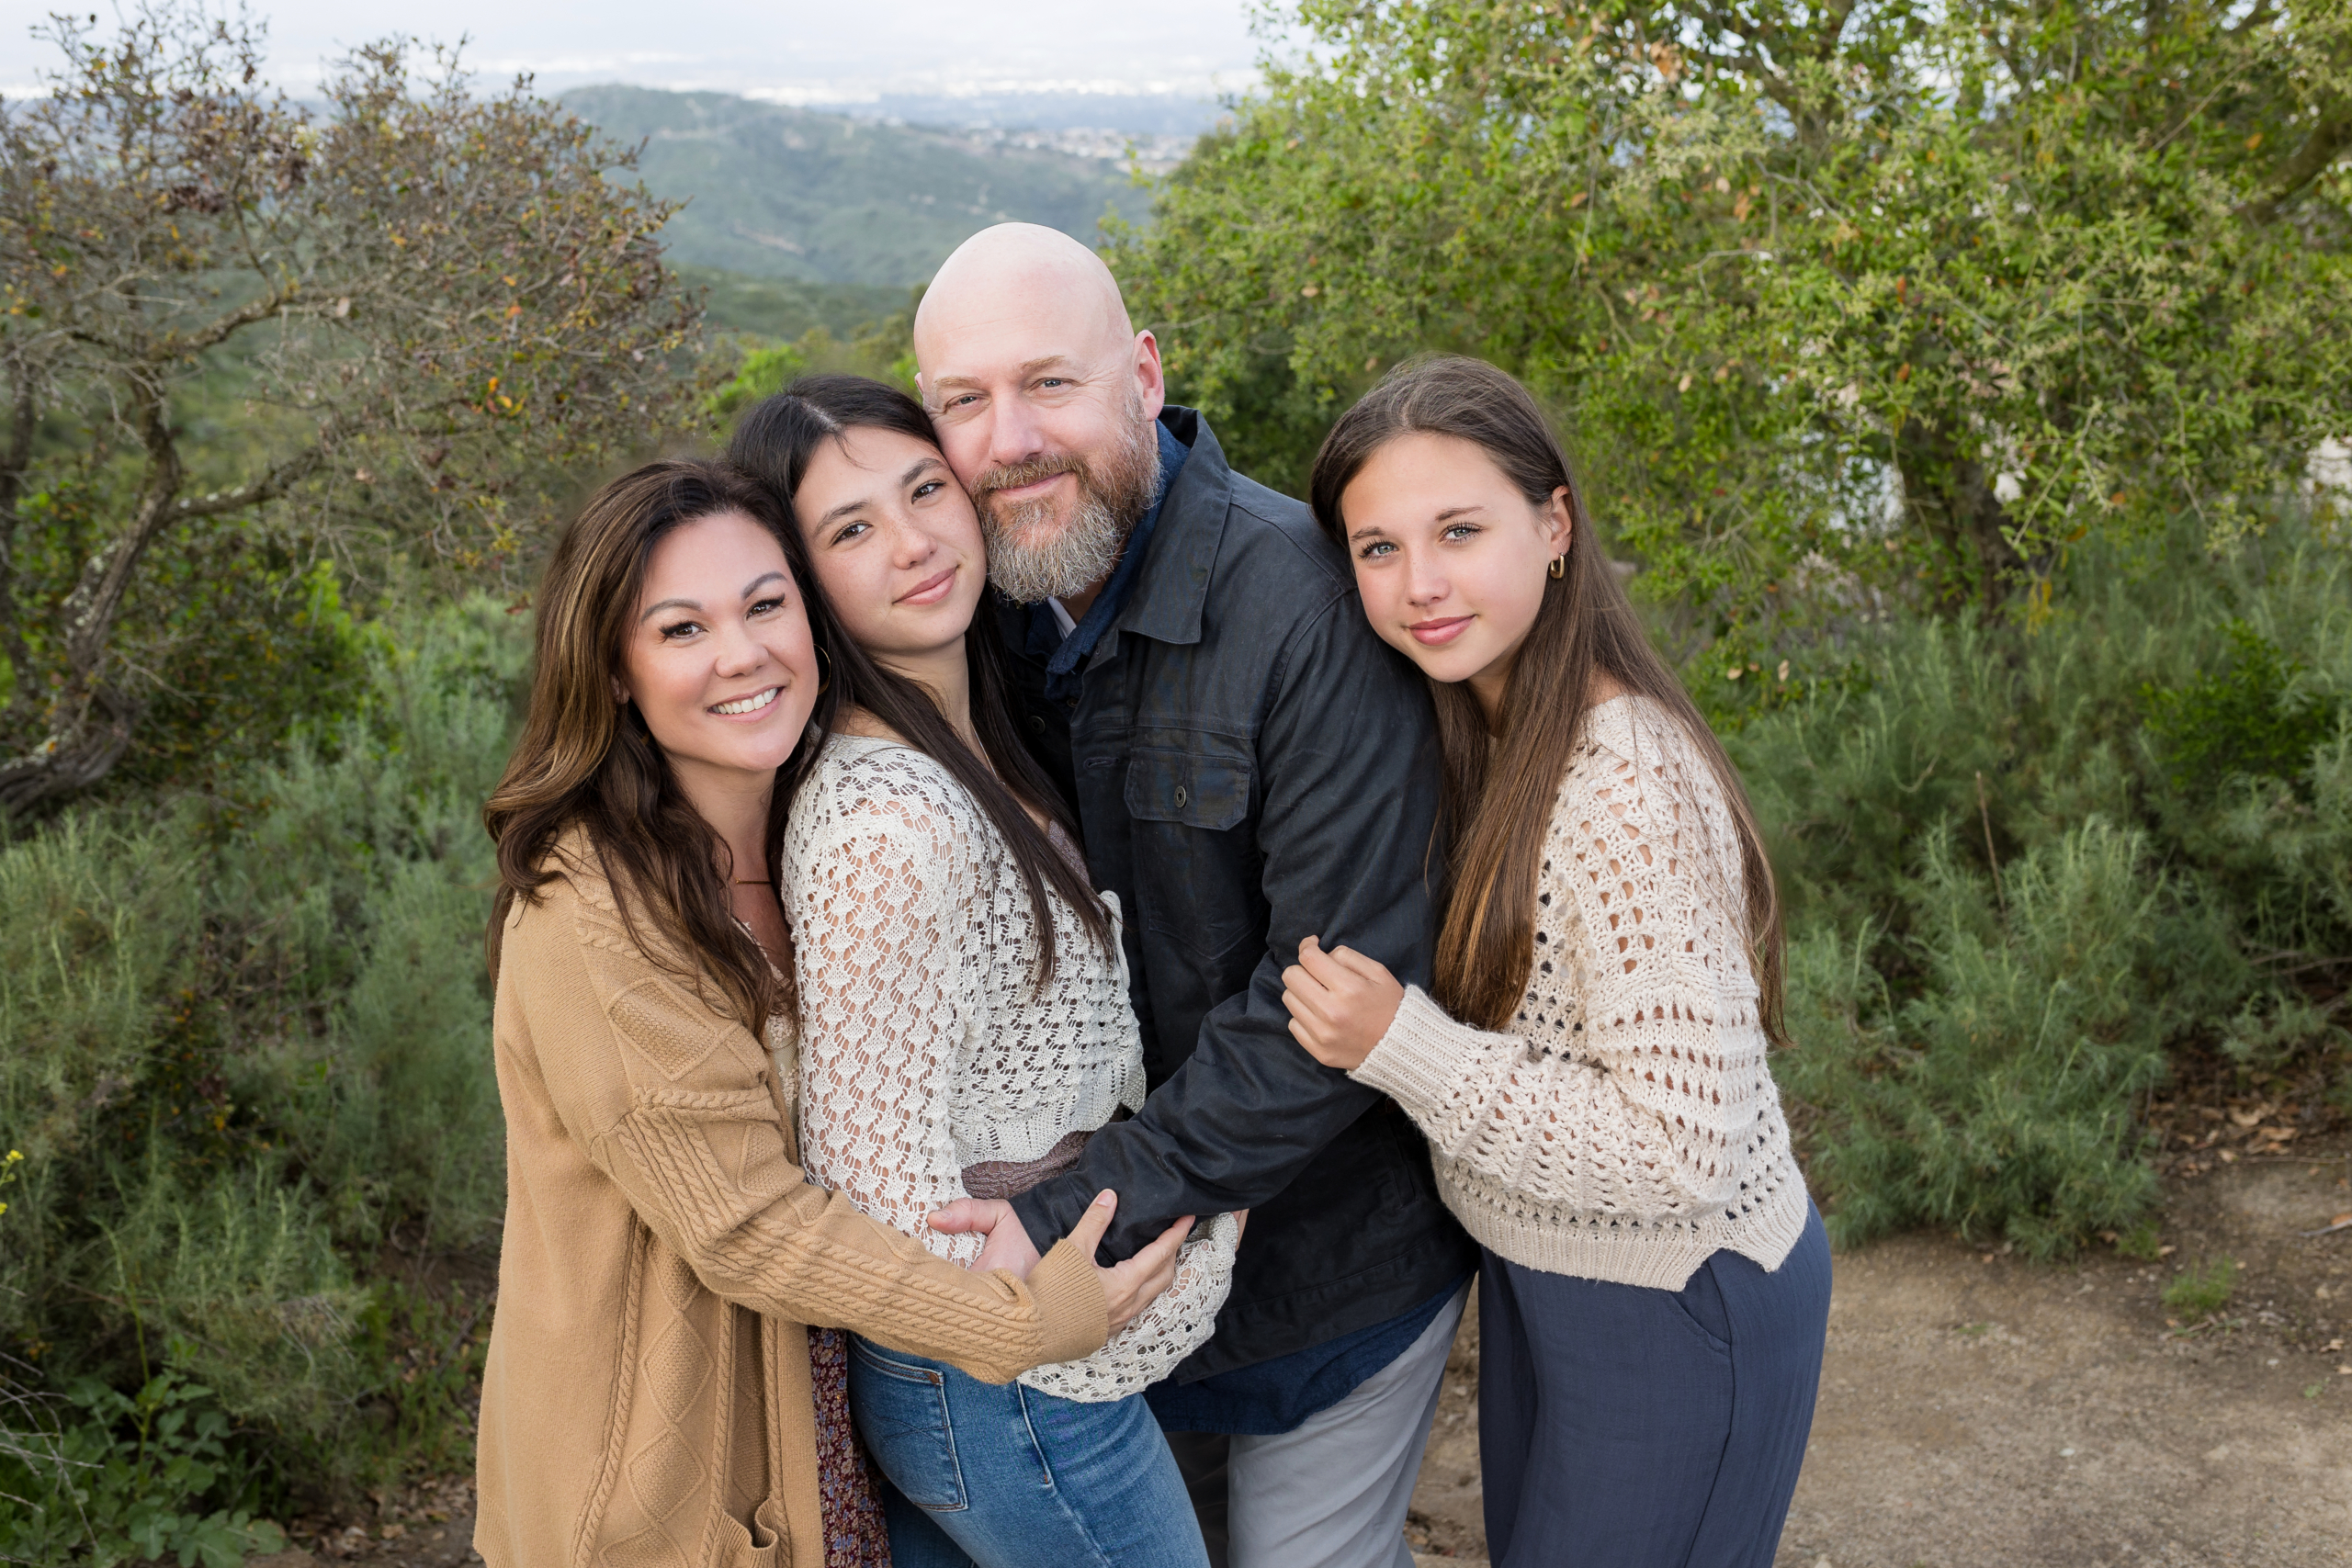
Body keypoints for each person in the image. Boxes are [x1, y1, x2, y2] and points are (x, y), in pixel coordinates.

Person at [475, 457, 1190, 1568]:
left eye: (766, 606)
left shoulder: (811, 826)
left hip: (830, 1413)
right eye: (679, 630)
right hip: (664, 1475)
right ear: (612, 671)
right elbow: (746, 1224)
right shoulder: (594, 909)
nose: (741, 653)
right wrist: (1024, 1323)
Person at [908, 222, 1480, 1568]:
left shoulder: (1303, 611)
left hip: (1322, 1271)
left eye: (1050, 382)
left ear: (1145, 379)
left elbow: (1325, 1004)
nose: (1009, 439)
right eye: (963, 402)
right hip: (1124, 1294)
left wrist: (1065, 1214)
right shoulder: (958, 605)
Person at [1276, 356, 1832, 1568]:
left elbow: (1684, 1146)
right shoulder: (1475, 722)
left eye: (1459, 530)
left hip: (1681, 1294)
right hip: (1551, 1275)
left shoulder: (1622, 782)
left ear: (1555, 522)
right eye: (1376, 548)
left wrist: (1402, 1045)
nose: (1419, 583)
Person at [726, 374, 1240, 1568]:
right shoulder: (888, 834)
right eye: (852, 528)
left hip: (1008, 1374)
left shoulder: (971, 744)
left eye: (925, 490)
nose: (911, 541)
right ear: (801, 582)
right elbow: (873, 1190)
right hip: (999, 1381)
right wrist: (1062, 1310)